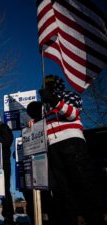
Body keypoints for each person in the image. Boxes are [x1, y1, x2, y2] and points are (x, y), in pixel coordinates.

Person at [39, 75, 107, 225]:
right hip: (52, 147)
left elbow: (72, 114)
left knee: (84, 185)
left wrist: (55, 100)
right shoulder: (44, 106)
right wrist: (34, 123)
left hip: (72, 143)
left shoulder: (68, 95)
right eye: (46, 84)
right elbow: (43, 126)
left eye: (51, 84)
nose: (48, 86)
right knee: (63, 191)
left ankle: (95, 219)